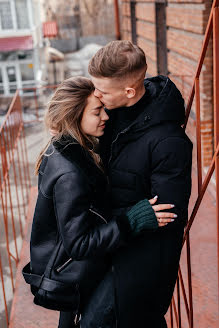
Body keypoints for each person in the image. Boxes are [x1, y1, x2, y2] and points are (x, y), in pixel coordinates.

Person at [26, 76, 176, 327]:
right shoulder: (71, 174)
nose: (106, 117)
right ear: (74, 117)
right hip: (71, 272)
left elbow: (90, 215)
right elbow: (79, 245)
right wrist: (132, 220)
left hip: (73, 267)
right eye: (97, 112)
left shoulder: (66, 148)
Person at [78, 40, 192, 328]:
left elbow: (166, 214)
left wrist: (122, 219)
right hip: (107, 243)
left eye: (102, 91)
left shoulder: (169, 142)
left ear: (129, 91)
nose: (97, 96)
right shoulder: (110, 114)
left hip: (140, 261)